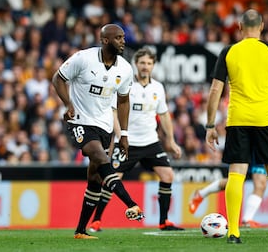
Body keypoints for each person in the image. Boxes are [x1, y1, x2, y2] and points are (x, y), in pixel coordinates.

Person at [205, 9, 268, 244]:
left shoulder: (229, 52)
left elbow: (215, 91)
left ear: (240, 26)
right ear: (261, 27)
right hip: (267, 120)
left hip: (238, 120)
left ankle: (233, 233)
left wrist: (210, 125)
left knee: (236, 175)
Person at [52, 24, 143, 239]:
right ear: (104, 40)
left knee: (95, 177)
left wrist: (125, 135)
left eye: (123, 37)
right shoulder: (83, 58)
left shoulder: (126, 69)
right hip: (79, 121)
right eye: (118, 38)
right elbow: (58, 78)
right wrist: (68, 104)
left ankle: (81, 231)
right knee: (100, 157)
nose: (123, 41)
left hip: (105, 126)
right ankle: (130, 204)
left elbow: (123, 101)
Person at [89, 47, 184, 232]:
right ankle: (96, 220)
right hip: (127, 142)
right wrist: (120, 135)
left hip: (150, 142)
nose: (145, 67)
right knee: (112, 178)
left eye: (149, 63)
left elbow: (164, 116)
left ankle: (164, 221)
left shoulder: (158, 87)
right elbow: (114, 111)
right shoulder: (126, 84)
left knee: (168, 175)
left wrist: (171, 141)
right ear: (136, 64)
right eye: (142, 63)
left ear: (153, 65)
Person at [189, 163, 267, 228]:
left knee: (261, 184)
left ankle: (247, 219)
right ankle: (201, 193)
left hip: (259, 147)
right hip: (245, 146)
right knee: (235, 181)